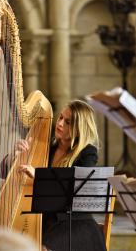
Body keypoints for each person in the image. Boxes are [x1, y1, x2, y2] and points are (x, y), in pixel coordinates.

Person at [17, 99, 107, 251]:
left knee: (42, 248)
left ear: (79, 128)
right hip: (48, 222)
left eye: (68, 122)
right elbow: (4, 170)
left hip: (76, 224)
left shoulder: (88, 153)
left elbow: (74, 188)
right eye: (60, 118)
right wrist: (16, 155)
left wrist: (39, 175)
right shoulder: (47, 149)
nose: (59, 124)